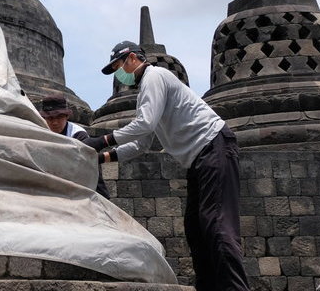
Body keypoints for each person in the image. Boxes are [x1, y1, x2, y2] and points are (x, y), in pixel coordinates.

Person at [83, 41, 249, 291]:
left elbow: (145, 124)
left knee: (216, 224)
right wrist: (102, 157)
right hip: (199, 159)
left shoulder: (155, 76)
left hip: (214, 146)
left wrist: (102, 140)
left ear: (132, 59)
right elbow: (142, 144)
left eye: (118, 66)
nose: (119, 73)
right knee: (195, 229)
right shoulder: (146, 93)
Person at [38, 96, 110, 199]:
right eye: (50, 118)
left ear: (66, 117)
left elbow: (82, 165)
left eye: (59, 117)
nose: (54, 122)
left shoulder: (78, 135)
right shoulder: (41, 133)